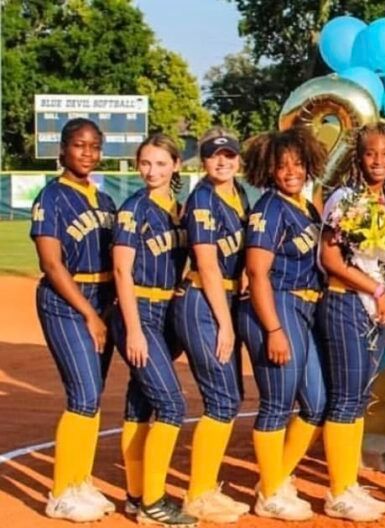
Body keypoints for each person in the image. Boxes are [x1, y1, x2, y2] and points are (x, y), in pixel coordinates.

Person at [237, 127, 327, 521]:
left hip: (303, 308)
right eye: (282, 165)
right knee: (277, 402)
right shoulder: (269, 208)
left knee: (316, 403)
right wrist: (273, 329)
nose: (291, 171)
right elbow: (257, 272)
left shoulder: (305, 207)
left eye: (297, 163)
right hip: (276, 305)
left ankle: (274, 478)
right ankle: (271, 493)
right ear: (269, 170)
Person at [31, 118, 118, 522]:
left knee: (92, 396)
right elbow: (51, 264)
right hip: (67, 301)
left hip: (102, 298)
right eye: (80, 145)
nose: (88, 153)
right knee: (83, 394)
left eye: (94, 146)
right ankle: (62, 492)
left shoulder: (104, 200)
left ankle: (80, 480)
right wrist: (89, 314)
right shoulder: (52, 198)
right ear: (63, 150)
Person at [317, 122, 385, 521]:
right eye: (371, 153)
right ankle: (338, 492)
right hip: (346, 303)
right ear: (359, 157)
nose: (378, 161)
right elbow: (331, 259)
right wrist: (377, 290)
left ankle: (349, 482)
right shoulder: (344, 198)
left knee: (358, 397)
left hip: (371, 307)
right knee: (345, 397)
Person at [111, 133, 192, 525]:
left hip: (165, 310)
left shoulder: (178, 209)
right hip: (139, 309)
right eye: (145, 163)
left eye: (161, 163)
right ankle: (154, 501)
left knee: (141, 400)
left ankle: (135, 494)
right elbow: (121, 271)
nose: (152, 171)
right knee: (172, 404)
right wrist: (134, 330)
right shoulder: (134, 209)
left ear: (176, 165)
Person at [175, 128, 251, 523]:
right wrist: (225, 324)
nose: (222, 161)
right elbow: (206, 265)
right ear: (203, 160)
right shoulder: (202, 198)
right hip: (204, 303)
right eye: (213, 154)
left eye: (229, 154)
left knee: (230, 397)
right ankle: (198, 495)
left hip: (226, 300)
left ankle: (206, 488)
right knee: (222, 398)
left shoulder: (239, 194)